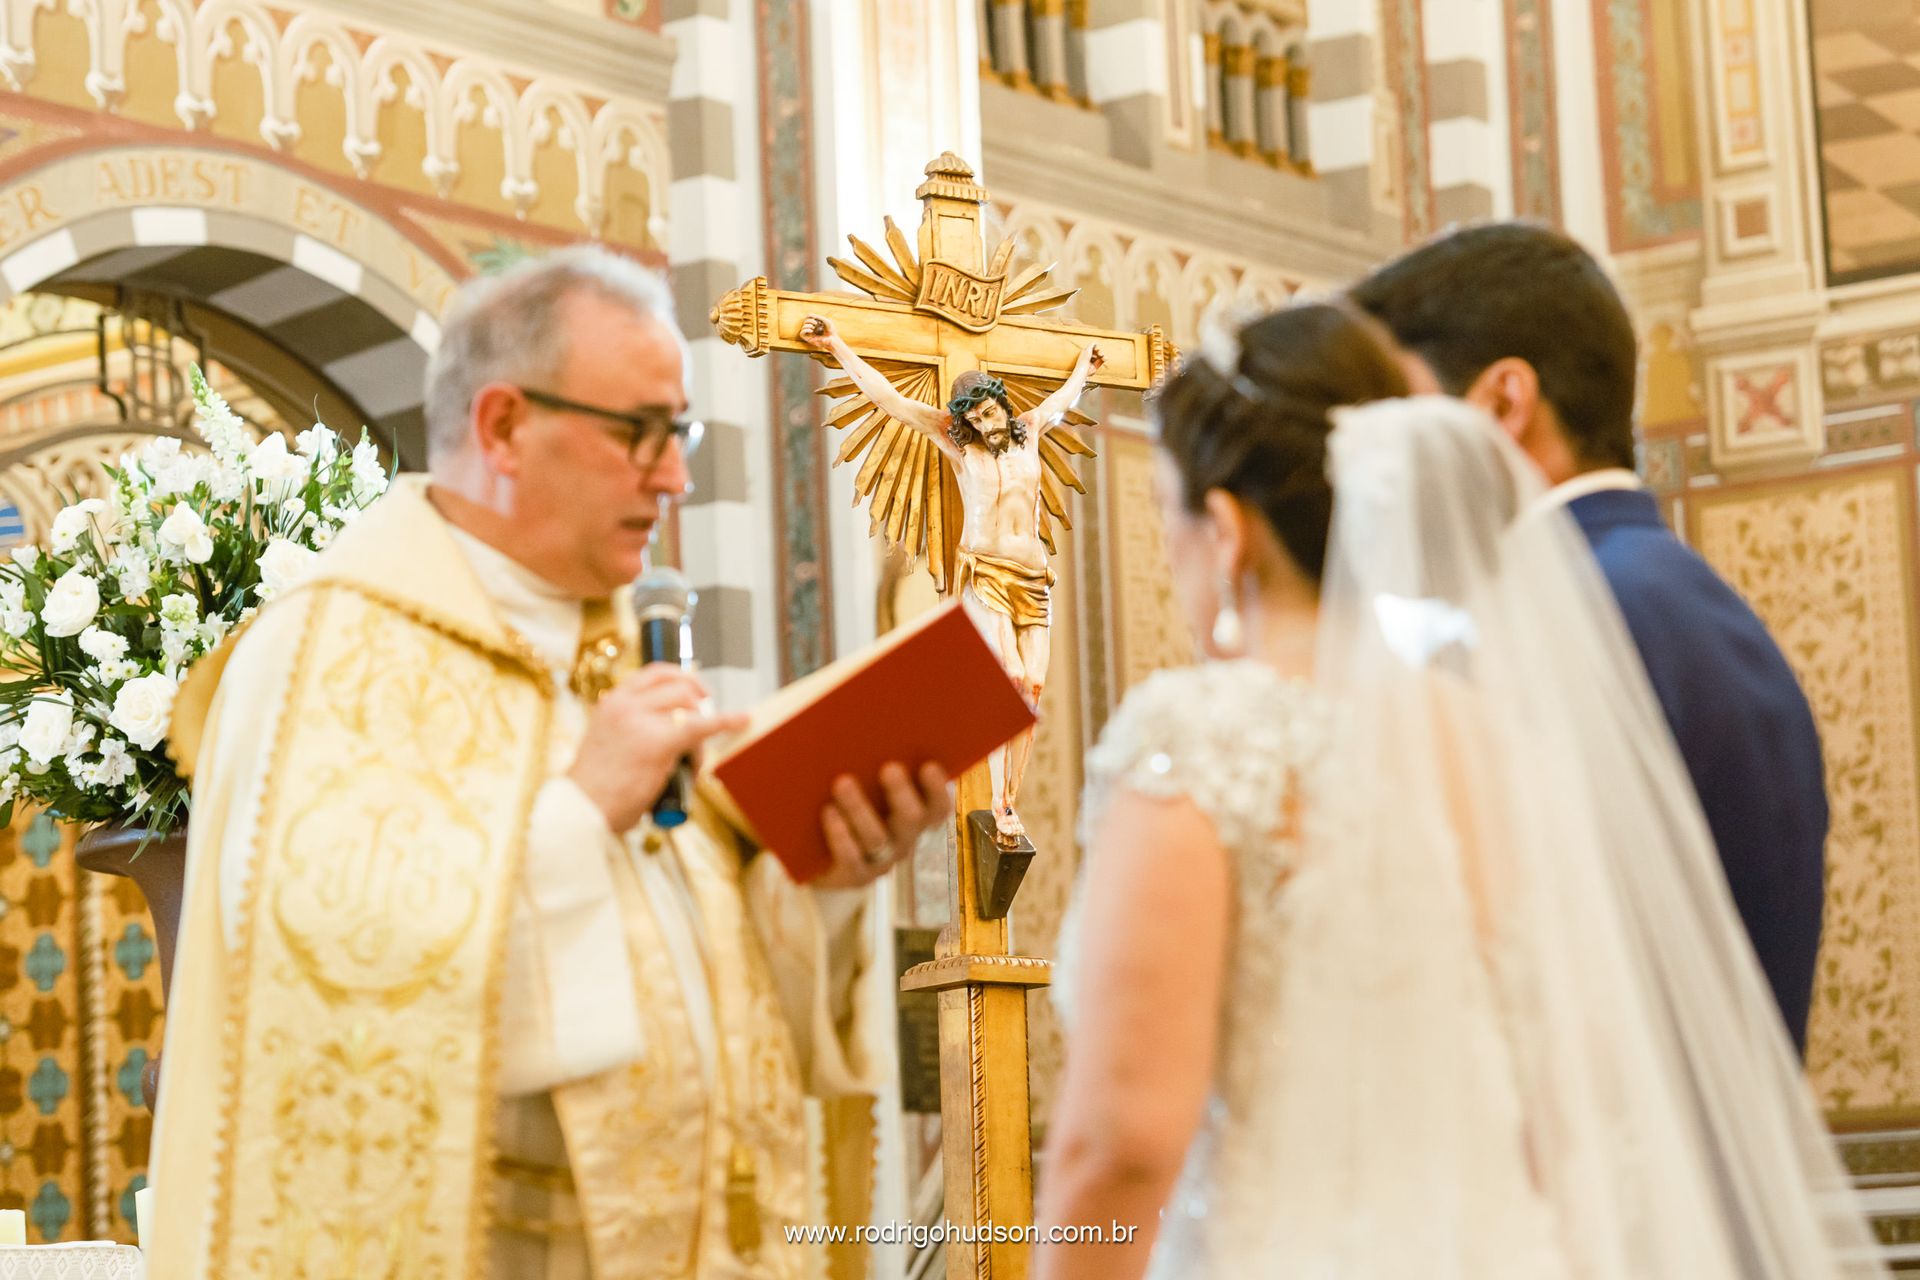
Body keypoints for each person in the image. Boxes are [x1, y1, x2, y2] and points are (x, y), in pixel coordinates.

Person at [147, 247, 951, 1279]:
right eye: (640, 431)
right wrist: (580, 808)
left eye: (681, 432)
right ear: (503, 427)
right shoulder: (331, 654)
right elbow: (327, 983)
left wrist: (821, 880)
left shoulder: (615, 649)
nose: (676, 477)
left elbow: (697, 976)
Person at [1033, 303, 1882, 1279]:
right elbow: (1571, 1116)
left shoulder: (1200, 739)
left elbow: (1123, 1142)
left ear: (1225, 533)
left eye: (1167, 516)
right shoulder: (1505, 746)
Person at [1349, 223, 1827, 1054]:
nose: (1375, 468)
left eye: (1397, 415)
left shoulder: (1549, 624)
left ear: (1503, 401)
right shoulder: (1688, 594)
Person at [798, 314, 1102, 845]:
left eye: (989, 412)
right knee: (1010, 677)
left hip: (1034, 577)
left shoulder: (1030, 431)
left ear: (1002, 404)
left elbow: (1064, 400)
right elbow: (890, 399)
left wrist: (1085, 368)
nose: (984, 424)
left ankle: (1012, 796)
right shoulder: (959, 447)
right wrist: (837, 345)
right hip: (986, 572)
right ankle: (1001, 804)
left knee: (1032, 688)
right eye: (975, 419)